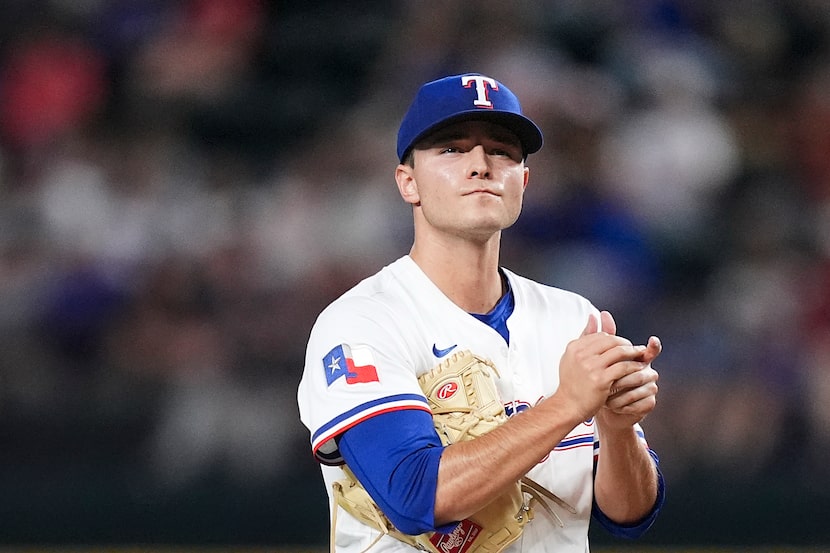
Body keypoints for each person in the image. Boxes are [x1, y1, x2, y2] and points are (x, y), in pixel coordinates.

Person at [297, 73, 665, 553]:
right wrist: (569, 404)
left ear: (523, 182)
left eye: (502, 151)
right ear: (408, 182)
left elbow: (629, 514)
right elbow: (415, 496)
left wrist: (617, 430)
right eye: (451, 149)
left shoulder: (572, 317)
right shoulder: (361, 323)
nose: (481, 166)